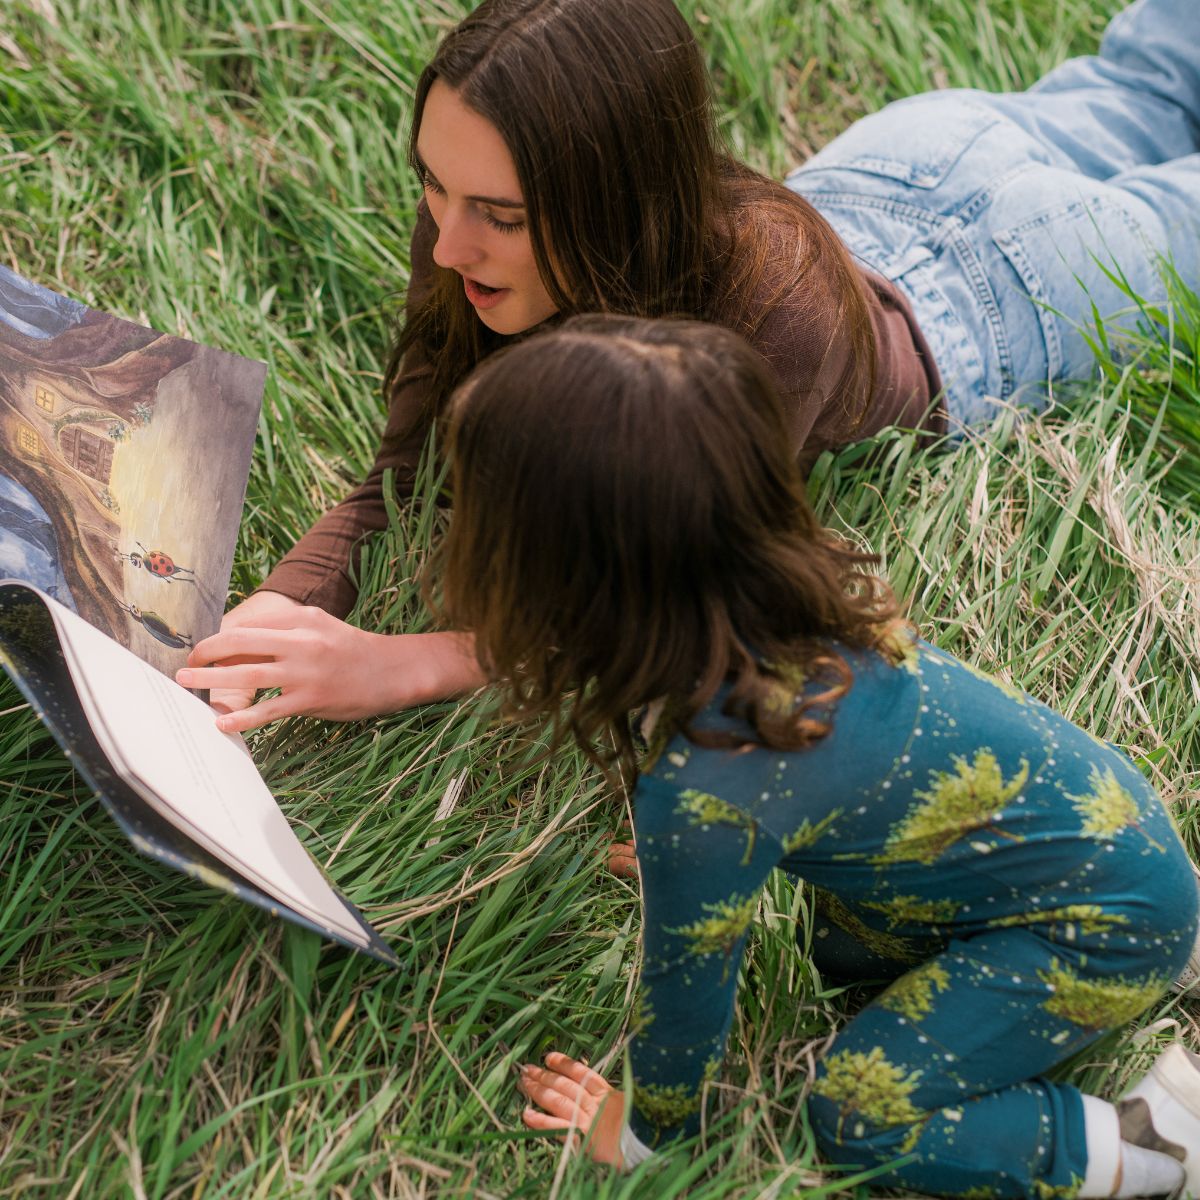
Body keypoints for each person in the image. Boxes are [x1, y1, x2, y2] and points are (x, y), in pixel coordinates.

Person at [175, 0, 1200, 731]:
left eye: (500, 216)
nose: (445, 245)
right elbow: (409, 473)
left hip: (1013, 293)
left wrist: (415, 661)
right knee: (1146, 81)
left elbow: (664, 601)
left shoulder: (769, 318)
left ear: (617, 198)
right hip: (898, 165)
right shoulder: (469, 221)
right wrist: (287, 603)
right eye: (434, 189)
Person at [438, 314, 1200, 1197]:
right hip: (1108, 838)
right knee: (831, 953)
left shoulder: (705, 793)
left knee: (854, 1115)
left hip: (1099, 927)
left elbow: (683, 1011)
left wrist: (644, 1132)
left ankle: (1152, 1148)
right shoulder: (792, 612)